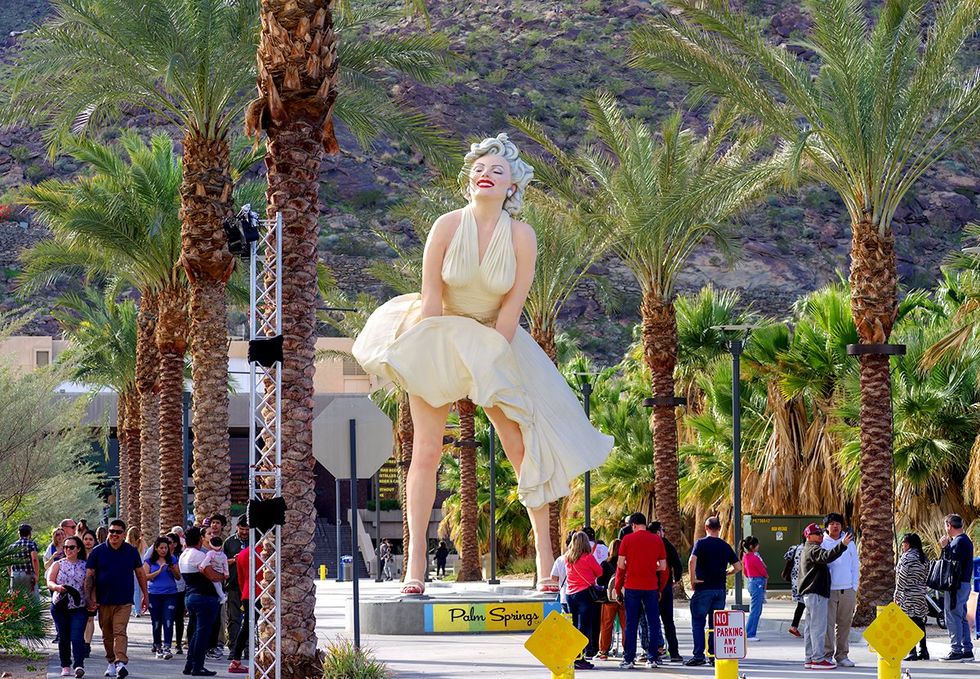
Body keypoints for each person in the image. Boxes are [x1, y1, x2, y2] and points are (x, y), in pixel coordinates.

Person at [351, 133, 614, 594]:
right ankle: (415, 567)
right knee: (426, 451)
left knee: (520, 445)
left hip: (496, 340)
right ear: (468, 181)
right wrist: (426, 357)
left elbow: (512, 309)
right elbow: (432, 299)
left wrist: (490, 362)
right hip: (441, 332)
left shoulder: (521, 235)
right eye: (479, 170)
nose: (485, 175)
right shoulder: (447, 225)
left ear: (513, 185)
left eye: (497, 171)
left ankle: (545, 561)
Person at [84, 518, 148, 679]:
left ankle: (120, 662)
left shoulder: (131, 551)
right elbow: (89, 576)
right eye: (111, 531)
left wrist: (145, 596)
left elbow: (140, 574)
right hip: (103, 599)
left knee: (120, 631)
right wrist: (88, 597)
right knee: (107, 633)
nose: (114, 535)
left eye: (118, 532)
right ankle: (111, 662)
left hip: (124, 600)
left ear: (123, 534)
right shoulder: (98, 551)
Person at [685, 516, 741, 667]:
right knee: (715, 625)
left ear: (706, 527)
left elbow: (692, 560)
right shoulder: (725, 546)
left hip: (703, 588)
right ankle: (713, 655)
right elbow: (738, 567)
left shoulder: (701, 543)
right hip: (719, 589)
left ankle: (698, 655)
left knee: (698, 622)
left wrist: (692, 579)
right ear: (719, 528)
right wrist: (725, 573)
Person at [614, 512, 667, 670]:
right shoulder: (657, 540)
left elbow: (621, 565)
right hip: (651, 586)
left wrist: (618, 588)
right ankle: (653, 658)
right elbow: (663, 567)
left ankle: (629, 658)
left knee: (631, 623)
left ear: (633, 525)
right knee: (653, 623)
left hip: (632, 586)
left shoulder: (627, 540)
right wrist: (659, 585)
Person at [798, 522, 851, 670]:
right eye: (818, 533)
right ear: (809, 536)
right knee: (818, 627)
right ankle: (818, 659)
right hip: (816, 593)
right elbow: (826, 556)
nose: (821, 535)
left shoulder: (808, 549)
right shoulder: (813, 549)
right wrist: (842, 545)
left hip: (811, 593)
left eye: (821, 533)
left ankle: (809, 658)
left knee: (810, 627)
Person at [179, 526, 223, 676]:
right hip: (204, 597)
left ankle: (189, 665)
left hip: (191, 596)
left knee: (197, 633)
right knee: (202, 634)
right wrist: (224, 575)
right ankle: (198, 666)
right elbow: (212, 575)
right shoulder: (198, 555)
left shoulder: (184, 554)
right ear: (199, 539)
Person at [48, 535, 89, 678]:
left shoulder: (85, 565)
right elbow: (49, 581)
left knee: (77, 636)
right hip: (60, 606)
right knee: (64, 637)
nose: (68, 550)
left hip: (79, 606)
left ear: (78, 549)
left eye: (72, 547)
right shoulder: (58, 564)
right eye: (66, 547)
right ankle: (65, 665)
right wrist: (57, 587)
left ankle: (79, 665)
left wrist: (93, 601)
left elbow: (90, 585)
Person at [821, 513, 858, 667]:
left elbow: (855, 565)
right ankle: (827, 655)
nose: (835, 526)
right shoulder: (822, 542)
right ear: (827, 526)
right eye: (832, 523)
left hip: (847, 589)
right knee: (828, 625)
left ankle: (842, 655)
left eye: (838, 523)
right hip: (829, 590)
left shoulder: (850, 543)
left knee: (844, 624)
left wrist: (854, 586)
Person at [564, 532, 603, 671]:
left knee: (574, 626)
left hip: (570, 594)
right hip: (584, 594)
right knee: (584, 627)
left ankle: (574, 655)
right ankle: (579, 657)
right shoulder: (588, 557)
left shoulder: (567, 558)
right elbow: (599, 572)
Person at [939, 513, 974, 663]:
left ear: (949, 526)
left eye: (946, 526)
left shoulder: (958, 543)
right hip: (963, 584)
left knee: (953, 616)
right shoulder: (965, 541)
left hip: (956, 585)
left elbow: (951, 564)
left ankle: (956, 650)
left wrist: (945, 547)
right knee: (961, 616)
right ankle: (967, 649)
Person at [227, 538, 264, 675]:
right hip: (263, 592)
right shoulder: (265, 553)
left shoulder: (243, 553)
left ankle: (236, 659)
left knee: (247, 626)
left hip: (248, 593)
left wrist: (244, 592)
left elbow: (241, 578)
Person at [649, 521, 683, 662]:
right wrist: (676, 579)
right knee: (668, 620)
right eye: (663, 530)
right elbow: (677, 564)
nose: (664, 532)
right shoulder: (666, 544)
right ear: (658, 531)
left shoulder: (648, 544)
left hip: (650, 585)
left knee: (651, 620)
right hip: (666, 586)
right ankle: (674, 652)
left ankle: (655, 650)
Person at [894, 533, 929, 661]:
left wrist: (897, 593)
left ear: (907, 544)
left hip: (908, 594)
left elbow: (902, 578)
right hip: (920, 594)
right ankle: (923, 650)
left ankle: (911, 651)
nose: (902, 546)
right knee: (919, 622)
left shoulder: (906, 557)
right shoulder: (923, 557)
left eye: (903, 543)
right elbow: (926, 576)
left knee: (907, 622)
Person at [145, 536, 181, 660]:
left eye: (166, 547)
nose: (164, 550)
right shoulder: (149, 561)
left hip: (170, 594)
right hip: (154, 595)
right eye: (161, 548)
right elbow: (145, 577)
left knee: (168, 620)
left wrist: (172, 569)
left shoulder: (173, 559)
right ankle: (158, 646)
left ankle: (167, 647)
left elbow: (178, 577)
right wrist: (159, 571)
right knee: (156, 621)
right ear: (156, 548)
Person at [221, 517, 248, 655]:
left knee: (250, 619)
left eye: (247, 530)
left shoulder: (255, 541)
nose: (244, 532)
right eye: (242, 529)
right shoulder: (230, 542)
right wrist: (234, 560)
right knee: (234, 618)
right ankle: (233, 648)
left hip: (250, 587)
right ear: (237, 527)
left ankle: (248, 648)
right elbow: (221, 561)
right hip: (233, 585)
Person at [596, 538, 625, 661]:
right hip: (623, 598)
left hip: (609, 599)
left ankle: (603, 651)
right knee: (626, 625)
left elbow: (599, 581)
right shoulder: (625, 563)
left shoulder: (605, 563)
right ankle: (627, 650)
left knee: (606, 625)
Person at [741, 536, 767, 642]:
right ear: (752, 546)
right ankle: (750, 633)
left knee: (755, 609)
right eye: (757, 545)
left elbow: (746, 572)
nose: (758, 546)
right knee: (756, 610)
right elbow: (763, 570)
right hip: (758, 583)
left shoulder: (745, 557)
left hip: (752, 582)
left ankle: (749, 632)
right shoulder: (755, 557)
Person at [168, 532, 187, 655]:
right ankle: (164, 644)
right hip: (165, 591)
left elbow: (181, 575)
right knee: (166, 618)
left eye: (169, 542)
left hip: (179, 589)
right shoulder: (159, 555)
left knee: (179, 619)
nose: (167, 545)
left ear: (175, 544)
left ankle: (179, 643)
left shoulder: (180, 556)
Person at [80, 531, 98, 659]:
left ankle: (87, 644)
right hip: (78, 590)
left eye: (90, 539)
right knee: (80, 618)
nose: (88, 541)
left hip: (94, 589)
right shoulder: (78, 554)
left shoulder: (98, 554)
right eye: (85, 539)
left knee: (90, 618)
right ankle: (79, 642)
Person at [8, 523, 40, 596]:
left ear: (19, 533)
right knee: (33, 600)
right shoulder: (31, 544)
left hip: (15, 574)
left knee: (16, 600)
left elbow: (8, 563)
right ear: (29, 533)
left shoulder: (12, 546)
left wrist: (11, 574)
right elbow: (34, 559)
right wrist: (36, 575)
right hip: (28, 574)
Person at [783, 539, 805, 638]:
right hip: (806, 580)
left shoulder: (795, 548)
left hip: (796, 580)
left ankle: (794, 626)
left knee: (801, 604)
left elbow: (787, 557)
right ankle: (796, 627)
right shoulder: (812, 549)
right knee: (809, 604)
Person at [123, 527, 145, 617]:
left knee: (133, 589)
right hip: (140, 567)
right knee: (139, 589)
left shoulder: (126, 544)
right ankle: (138, 610)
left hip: (129, 568)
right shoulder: (141, 543)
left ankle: (133, 608)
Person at [200, 537, 229, 604]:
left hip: (214, 571)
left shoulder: (210, 553)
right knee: (219, 584)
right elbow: (225, 564)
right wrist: (226, 573)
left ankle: (222, 596)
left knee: (216, 584)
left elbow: (206, 560)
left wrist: (202, 567)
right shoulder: (223, 555)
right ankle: (221, 595)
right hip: (221, 571)